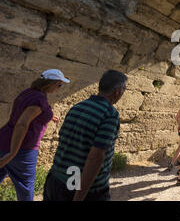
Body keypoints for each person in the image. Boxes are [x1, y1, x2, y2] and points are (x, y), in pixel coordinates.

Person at [43, 70, 127, 201]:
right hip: (81, 187)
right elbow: (96, 157)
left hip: (55, 178)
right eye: (124, 89)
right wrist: (79, 197)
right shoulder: (109, 114)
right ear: (117, 91)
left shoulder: (78, 107)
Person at [0, 69, 70, 201]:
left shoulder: (28, 93)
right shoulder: (39, 100)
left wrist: (48, 115)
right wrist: (13, 153)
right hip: (23, 148)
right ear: (50, 83)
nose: (59, 88)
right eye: (59, 85)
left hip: (3, 139)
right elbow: (22, 125)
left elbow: (28, 112)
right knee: (25, 186)